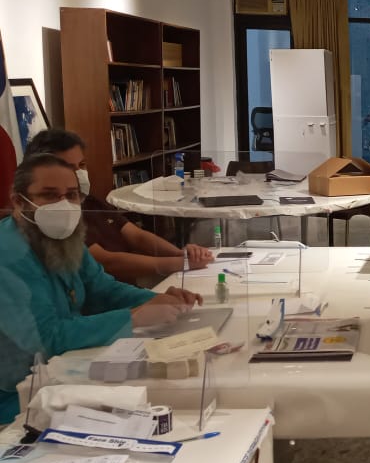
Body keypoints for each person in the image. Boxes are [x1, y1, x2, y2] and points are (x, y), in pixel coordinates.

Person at [0, 153, 202, 424]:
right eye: (49, 195)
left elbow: (102, 289)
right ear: (18, 201)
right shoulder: (7, 255)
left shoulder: (62, 237)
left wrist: (159, 301)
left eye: (71, 195)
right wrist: (133, 317)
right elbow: (46, 338)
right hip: (20, 397)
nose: (64, 204)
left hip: (64, 371)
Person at [23, 129, 214, 283]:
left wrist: (181, 253)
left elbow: (137, 235)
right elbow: (108, 262)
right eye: (69, 167)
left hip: (123, 291)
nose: (79, 173)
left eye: (82, 165)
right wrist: (181, 263)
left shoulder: (90, 202)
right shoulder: (54, 216)